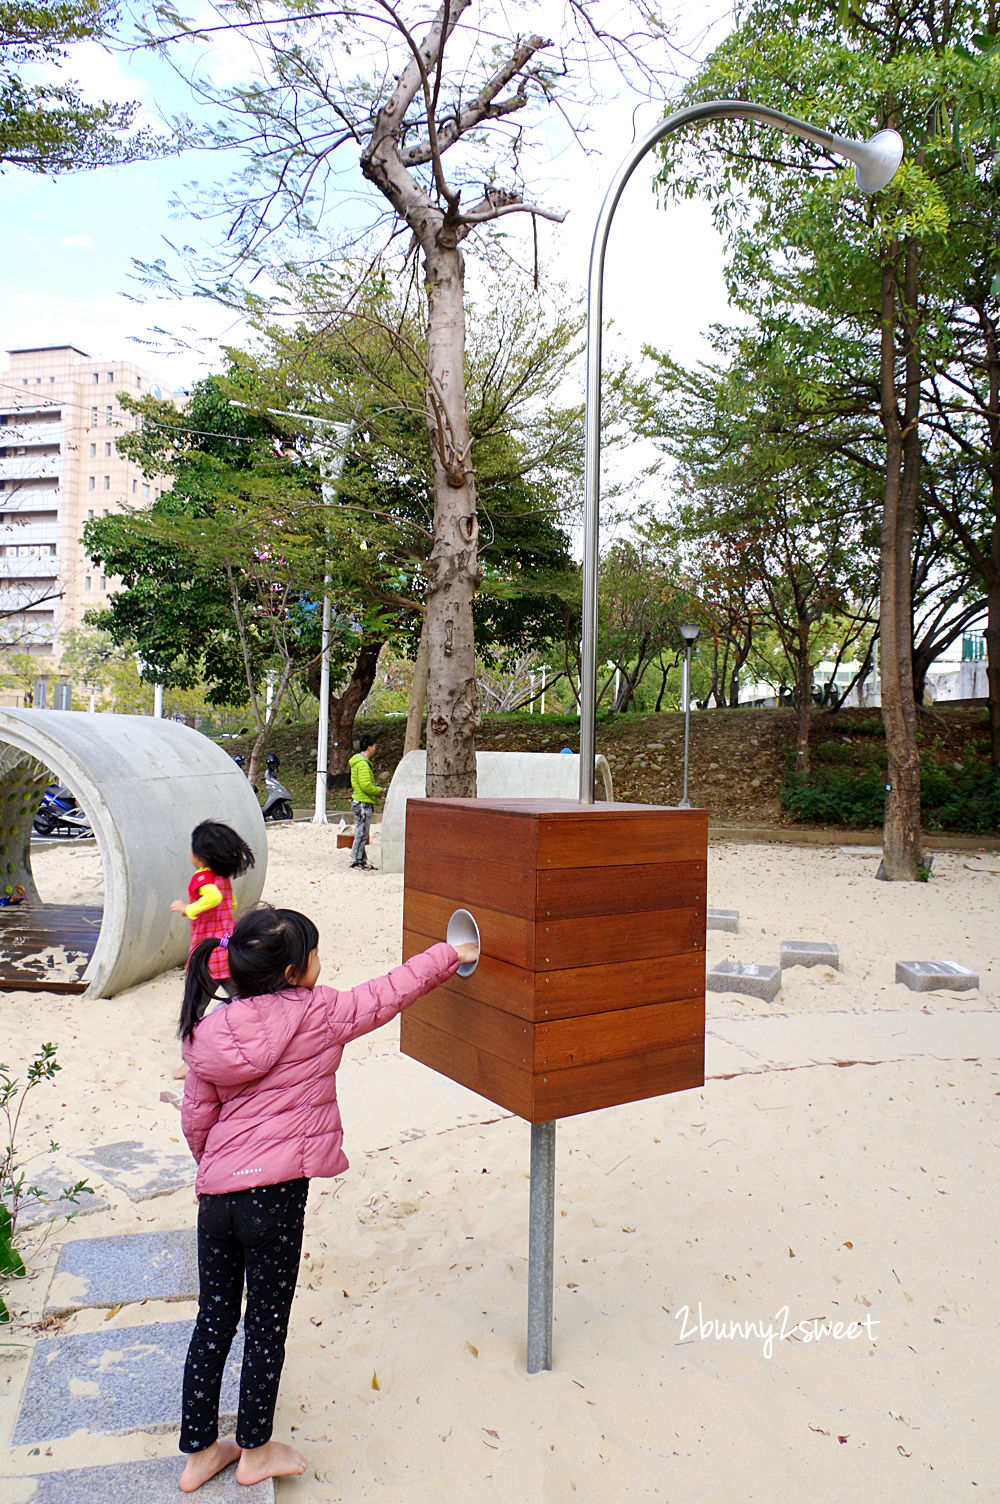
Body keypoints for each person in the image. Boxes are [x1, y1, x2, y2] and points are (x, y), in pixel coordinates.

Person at [175, 903, 476, 1493]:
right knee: (265, 1322)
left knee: (214, 1318)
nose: (321, 960)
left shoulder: (208, 1031)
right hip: (275, 1198)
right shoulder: (319, 1012)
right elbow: (388, 993)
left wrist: (217, 1169)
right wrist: (451, 954)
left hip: (217, 1198)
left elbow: (196, 1119)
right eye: (314, 950)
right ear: (292, 972)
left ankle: (199, 1451)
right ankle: (255, 1448)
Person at [169, 821, 256, 1079]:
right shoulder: (223, 878)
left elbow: (214, 898)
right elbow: (229, 902)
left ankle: (188, 1060)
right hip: (228, 951)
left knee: (193, 1008)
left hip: (206, 956)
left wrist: (189, 908)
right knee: (246, 999)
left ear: (201, 856)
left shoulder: (203, 878)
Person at [347, 734, 381, 871]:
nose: (374, 749)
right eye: (374, 747)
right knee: (361, 833)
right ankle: (354, 861)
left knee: (363, 832)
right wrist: (378, 790)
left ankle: (361, 860)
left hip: (361, 801)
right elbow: (366, 785)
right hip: (362, 803)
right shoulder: (363, 765)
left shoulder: (359, 763)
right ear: (369, 747)